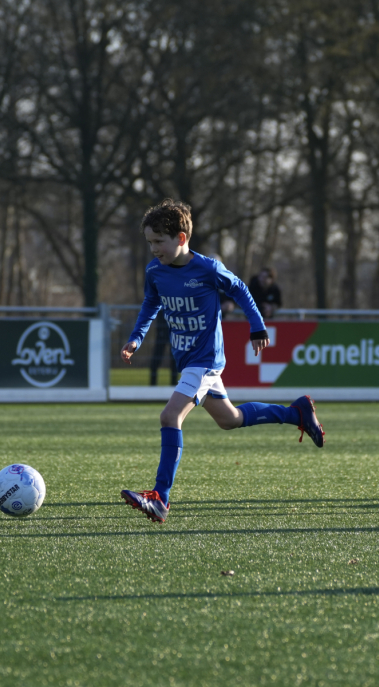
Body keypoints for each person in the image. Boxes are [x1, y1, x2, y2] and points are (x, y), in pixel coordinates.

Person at [119, 199, 325, 523]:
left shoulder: (208, 268)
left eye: (159, 241)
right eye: (149, 242)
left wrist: (257, 326)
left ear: (181, 238)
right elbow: (150, 303)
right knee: (230, 419)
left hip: (205, 360)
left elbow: (240, 289)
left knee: (170, 416)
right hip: (188, 360)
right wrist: (136, 337)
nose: (154, 249)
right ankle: (296, 413)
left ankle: (160, 498)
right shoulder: (155, 271)